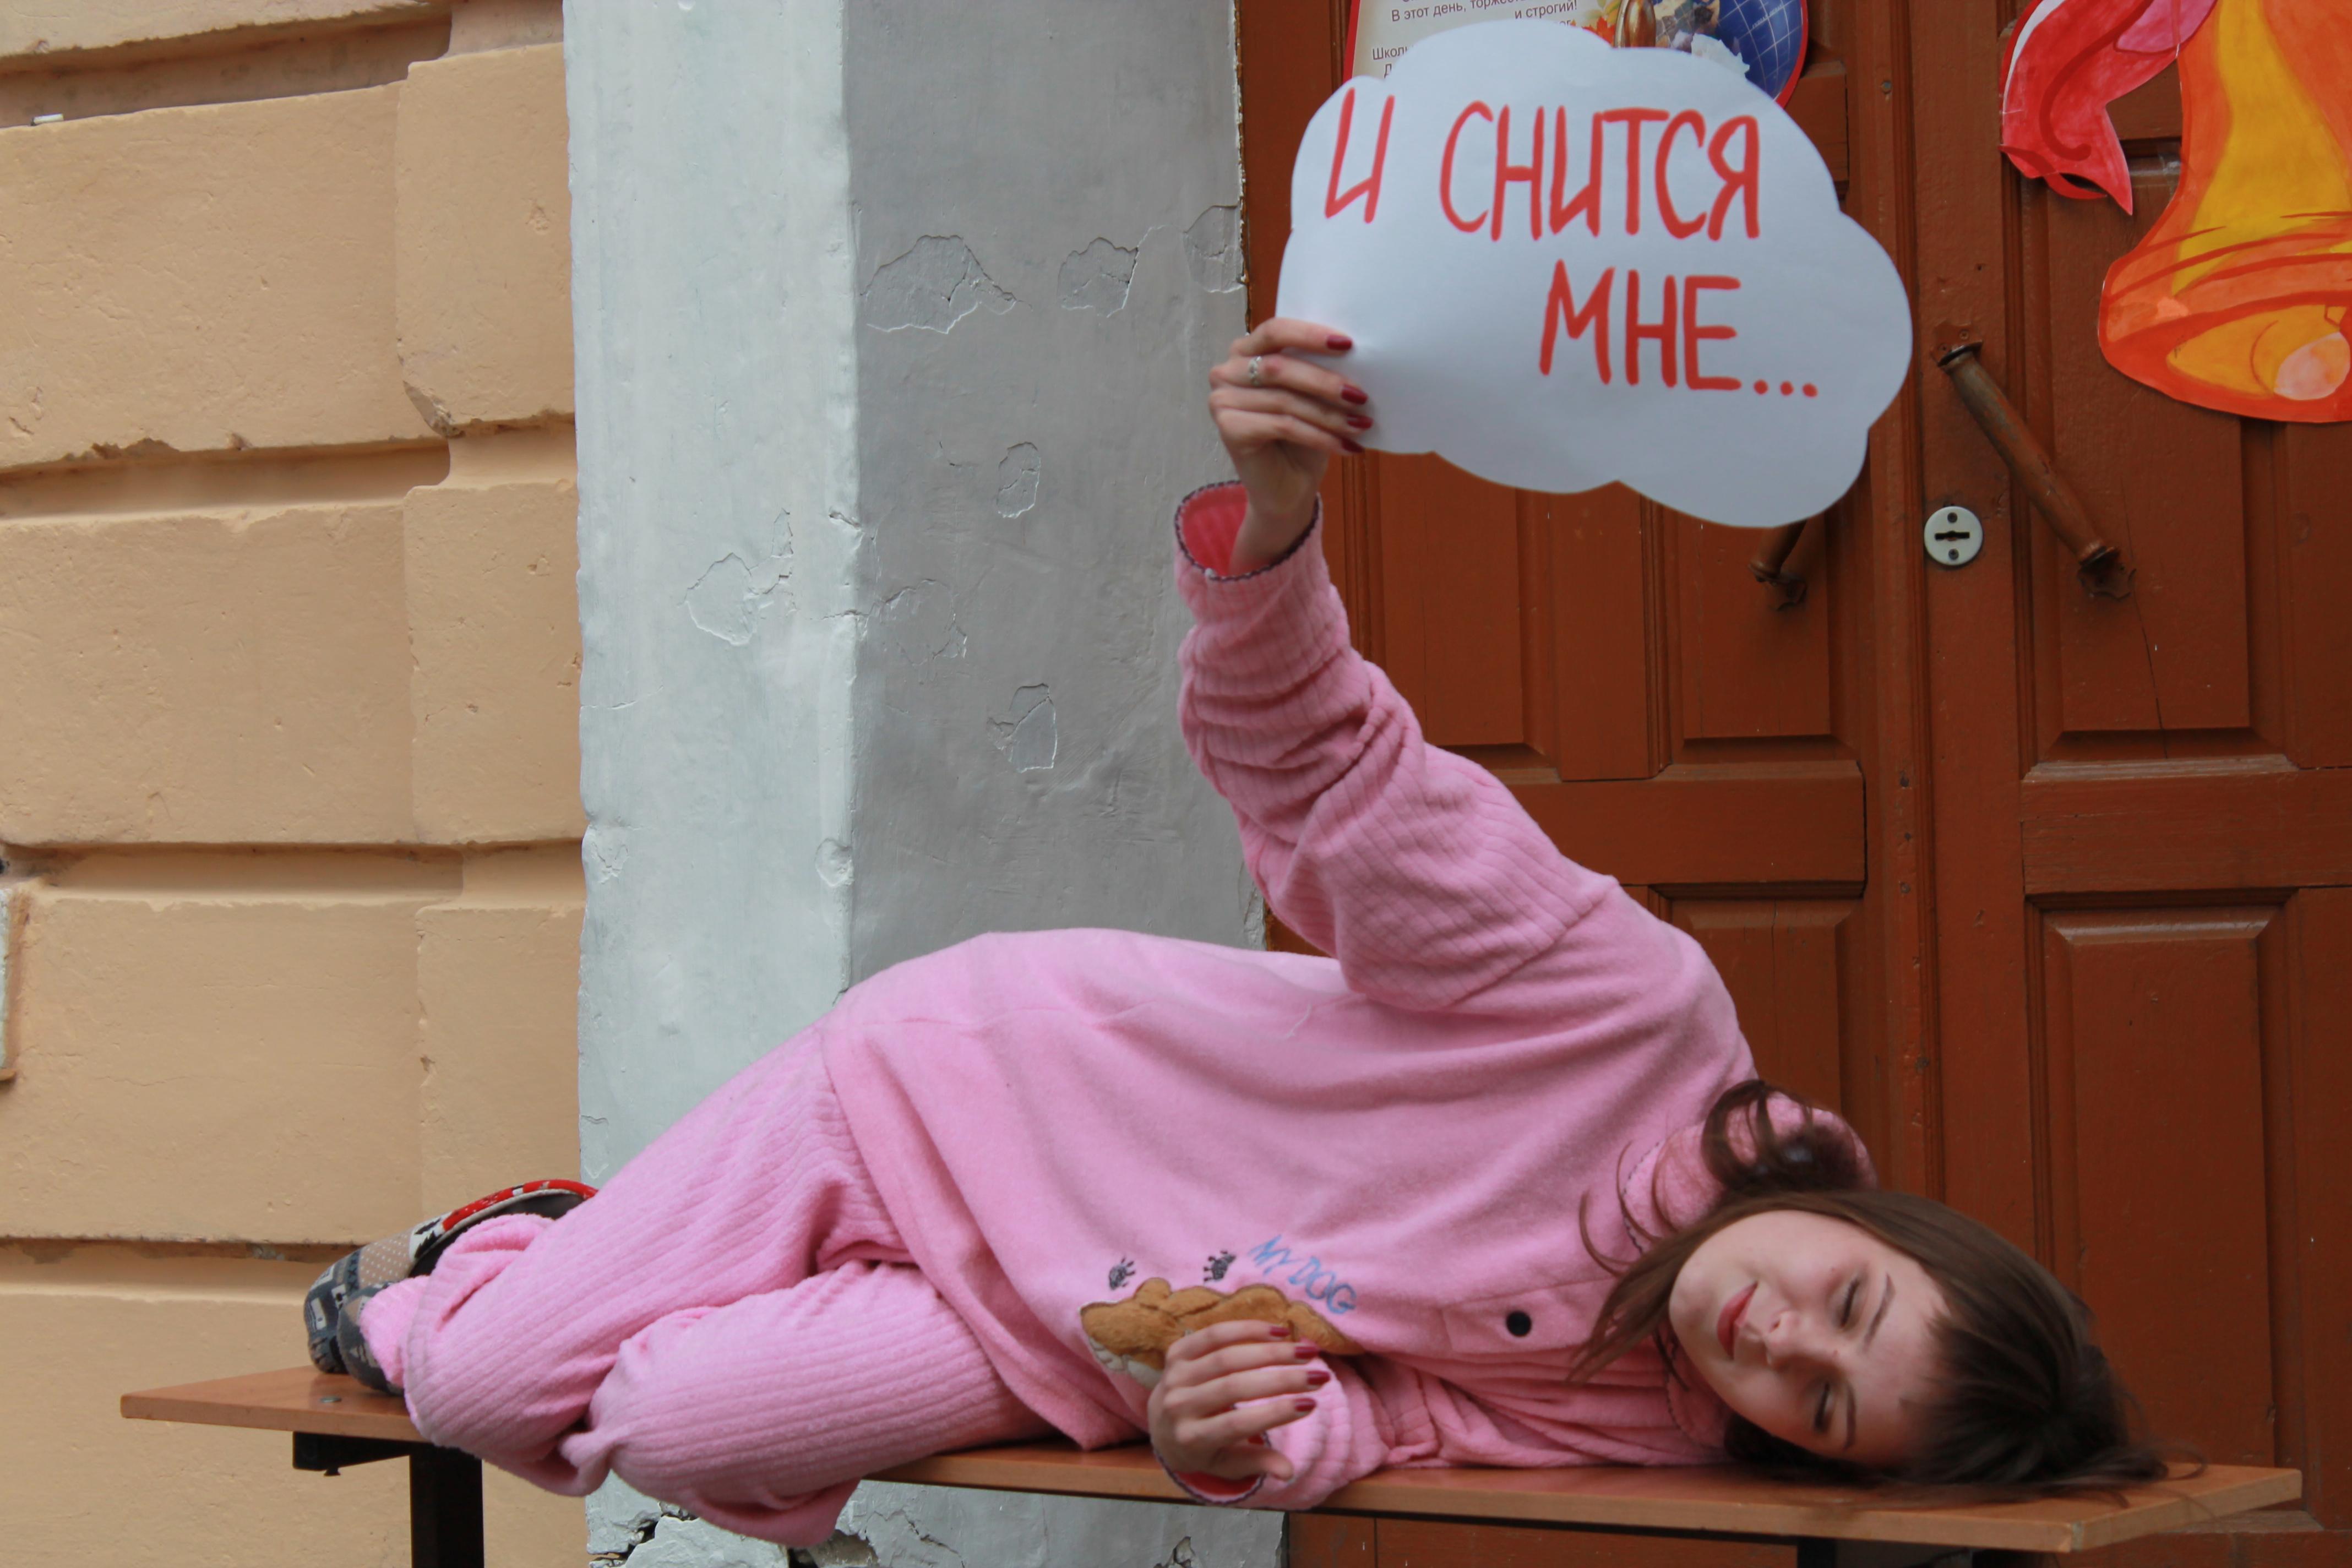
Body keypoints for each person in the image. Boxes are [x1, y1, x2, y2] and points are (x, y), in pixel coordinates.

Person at [301, 318, 2169, 1549]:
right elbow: (1339, 774)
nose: (1778, 1338)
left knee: (679, 1425)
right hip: (956, 1087)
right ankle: (514, 1245)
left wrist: (1223, 1432)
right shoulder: (1624, 1013)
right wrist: (1272, 535)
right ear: (1877, 1225)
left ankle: (622, 1270)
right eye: (1847, 1302)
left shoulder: (1649, 1421)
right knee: (477, 1387)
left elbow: (1383, 1429)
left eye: (1820, 1406)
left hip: (1059, 1320)